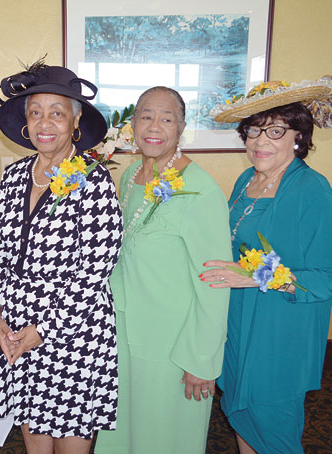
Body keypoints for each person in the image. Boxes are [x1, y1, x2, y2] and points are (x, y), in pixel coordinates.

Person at [0, 60, 122, 454]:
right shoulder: (14, 176)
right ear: (26, 122)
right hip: (14, 326)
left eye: (57, 113)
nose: (45, 123)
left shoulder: (94, 181)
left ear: (75, 124)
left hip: (72, 333)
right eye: (35, 112)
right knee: (35, 442)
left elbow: (94, 271)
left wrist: (43, 330)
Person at [203, 76, 332, 453]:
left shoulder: (312, 190)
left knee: (273, 426)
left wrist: (257, 277)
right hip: (240, 321)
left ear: (299, 136)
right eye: (253, 131)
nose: (260, 141)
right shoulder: (244, 180)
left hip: (281, 331)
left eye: (275, 130)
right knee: (241, 414)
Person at [94, 87, 232, 454]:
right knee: (126, 433)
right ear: (133, 123)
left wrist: (201, 359)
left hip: (173, 345)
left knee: (164, 438)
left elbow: (216, 280)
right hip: (126, 335)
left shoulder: (199, 189)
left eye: (166, 118)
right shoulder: (130, 178)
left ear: (181, 127)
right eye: (146, 116)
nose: (154, 126)